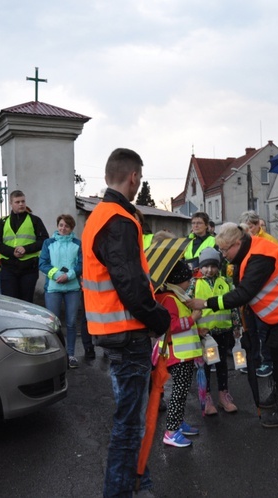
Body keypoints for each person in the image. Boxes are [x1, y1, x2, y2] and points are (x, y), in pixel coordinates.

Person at [82, 148, 169, 497]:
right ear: (134, 177)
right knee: (128, 425)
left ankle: (138, 481)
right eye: (139, 179)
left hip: (112, 331)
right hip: (127, 333)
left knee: (129, 419)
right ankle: (120, 491)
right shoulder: (118, 220)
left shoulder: (99, 217)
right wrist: (160, 318)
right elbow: (131, 286)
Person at [187, 223, 278, 428]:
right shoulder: (246, 253)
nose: (222, 255)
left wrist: (207, 303)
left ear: (237, 243)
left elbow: (244, 294)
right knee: (275, 350)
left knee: (277, 350)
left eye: (224, 250)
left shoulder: (260, 255)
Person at [154, 260, 203, 447]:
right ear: (178, 280)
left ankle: (178, 422)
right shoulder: (169, 299)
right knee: (178, 392)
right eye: (187, 279)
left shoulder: (175, 296)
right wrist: (192, 319)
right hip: (178, 354)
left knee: (180, 391)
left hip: (183, 353)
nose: (190, 282)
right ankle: (171, 431)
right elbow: (170, 326)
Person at [40, 214, 92, 369]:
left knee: (71, 323)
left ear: (71, 228)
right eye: (61, 225)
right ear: (57, 226)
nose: (63, 228)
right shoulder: (48, 243)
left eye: (66, 226)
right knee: (52, 324)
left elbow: (82, 264)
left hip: (72, 289)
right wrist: (57, 275)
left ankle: (70, 355)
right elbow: (43, 263)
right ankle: (54, 354)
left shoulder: (77, 244)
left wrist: (68, 276)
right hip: (53, 288)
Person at [194, 247, 239, 415]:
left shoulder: (226, 283)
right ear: (200, 266)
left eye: (213, 266)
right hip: (205, 334)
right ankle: (206, 397)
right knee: (205, 366)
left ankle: (223, 395)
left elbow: (233, 306)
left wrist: (236, 326)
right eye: (206, 266)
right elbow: (189, 306)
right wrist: (195, 328)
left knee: (222, 364)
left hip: (223, 332)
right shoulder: (194, 284)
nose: (209, 270)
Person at [238, 209, 278, 377]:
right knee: (250, 330)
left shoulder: (269, 241)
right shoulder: (242, 242)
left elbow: (276, 265)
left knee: (264, 330)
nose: (248, 231)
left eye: (250, 227)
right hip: (248, 293)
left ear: (256, 225)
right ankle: (254, 362)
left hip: (265, 293)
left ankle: (268, 362)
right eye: (244, 228)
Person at [0, 190, 49, 303]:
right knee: (10, 302)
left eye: (23, 201)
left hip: (29, 268)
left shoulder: (34, 220)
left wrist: (26, 249)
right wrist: (12, 251)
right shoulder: (3, 222)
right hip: (8, 267)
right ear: (11, 203)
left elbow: (44, 240)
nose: (21, 204)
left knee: (26, 302)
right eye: (17, 202)